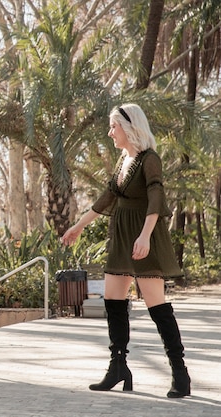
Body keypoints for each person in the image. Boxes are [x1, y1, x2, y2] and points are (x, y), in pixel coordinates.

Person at [61, 103, 190, 398]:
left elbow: (156, 198)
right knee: (113, 302)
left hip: (144, 236)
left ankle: (180, 373)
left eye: (113, 126)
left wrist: (145, 237)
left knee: (157, 306)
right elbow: (107, 197)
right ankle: (118, 367)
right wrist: (78, 226)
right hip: (121, 236)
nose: (110, 133)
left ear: (129, 127)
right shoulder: (124, 162)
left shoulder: (149, 159)